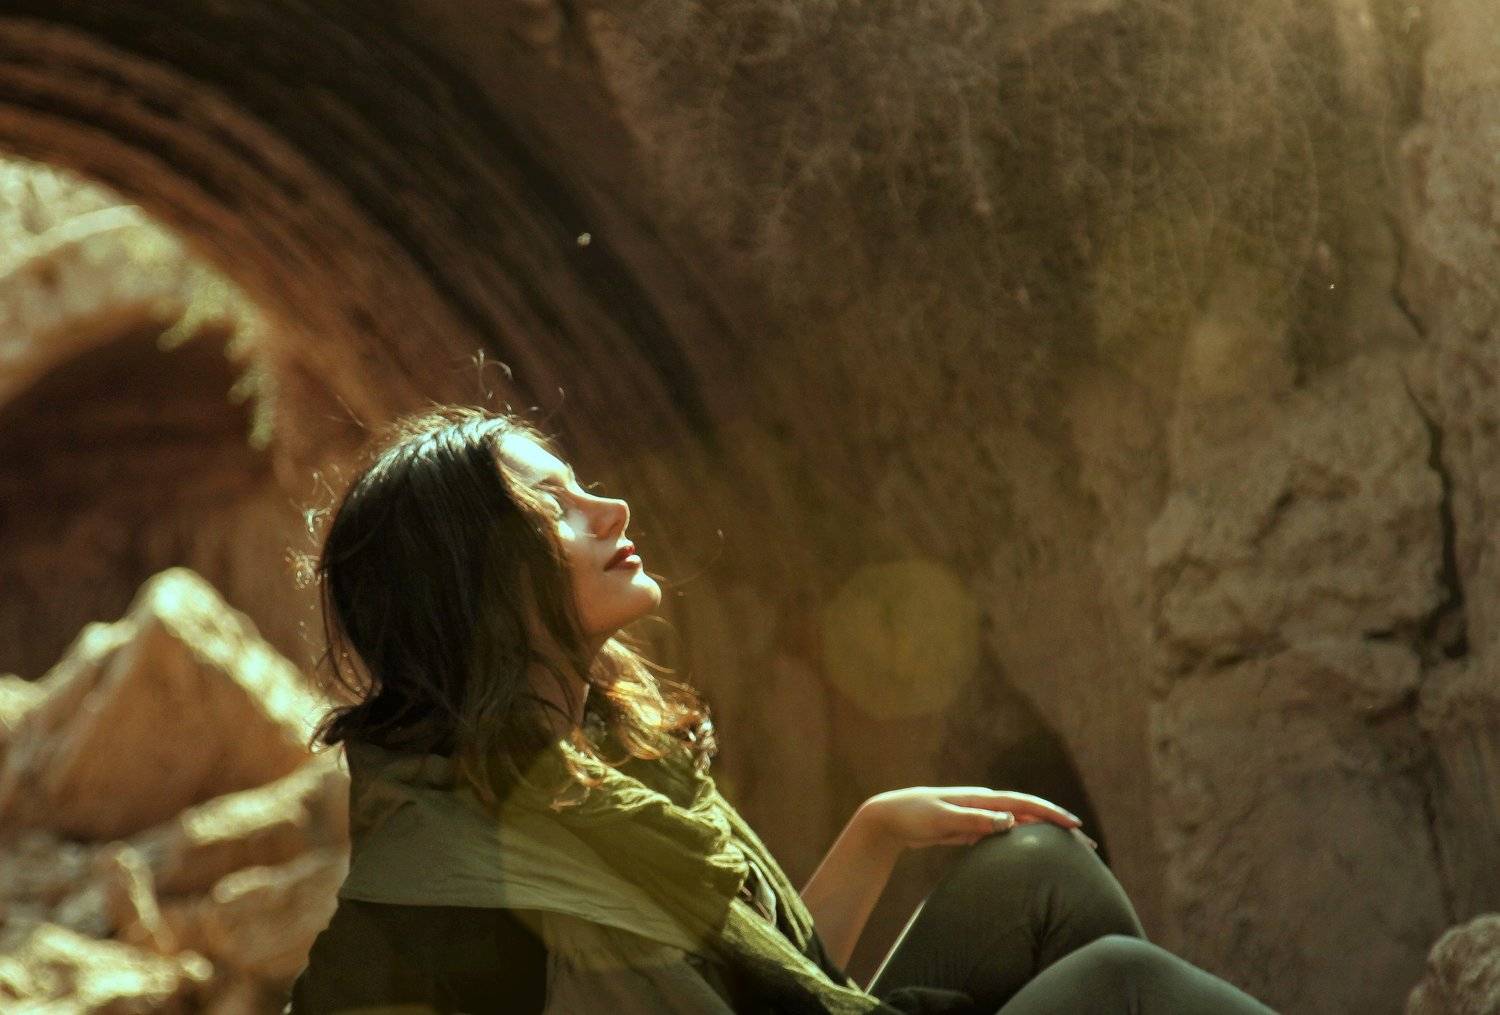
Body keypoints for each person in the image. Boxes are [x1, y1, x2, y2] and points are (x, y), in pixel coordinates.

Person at [285, 406, 1274, 1014]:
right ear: (475, 585)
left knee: (1039, 869)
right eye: (555, 507)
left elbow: (768, 987)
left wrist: (873, 832)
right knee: (1121, 985)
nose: (611, 509)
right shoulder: (457, 873)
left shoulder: (599, 758)